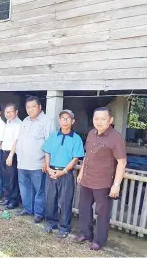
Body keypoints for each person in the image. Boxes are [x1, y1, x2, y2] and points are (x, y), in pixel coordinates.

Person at [75, 107, 127, 251]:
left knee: (102, 214)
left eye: (103, 119)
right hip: (87, 179)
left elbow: (122, 162)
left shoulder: (116, 138)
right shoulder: (91, 133)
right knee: (84, 209)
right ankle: (86, 234)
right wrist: (81, 172)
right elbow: (87, 156)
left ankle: (99, 241)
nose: (99, 122)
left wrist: (116, 184)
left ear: (110, 120)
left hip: (103, 183)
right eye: (96, 119)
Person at [42, 110, 85, 238]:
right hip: (51, 172)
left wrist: (64, 171)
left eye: (67, 119)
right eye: (62, 118)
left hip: (66, 173)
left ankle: (64, 227)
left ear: (73, 121)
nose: (64, 121)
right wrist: (48, 167)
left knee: (65, 201)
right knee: (50, 199)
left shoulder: (76, 138)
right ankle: (51, 223)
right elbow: (47, 152)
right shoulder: (53, 135)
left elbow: (75, 158)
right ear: (59, 120)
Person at [16, 96, 54, 223]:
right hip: (22, 162)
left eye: (33, 106)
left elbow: (50, 143)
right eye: (28, 107)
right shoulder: (25, 120)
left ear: (40, 107)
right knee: (25, 187)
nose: (30, 109)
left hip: (38, 163)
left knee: (39, 190)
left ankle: (39, 213)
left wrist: (46, 161)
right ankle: (27, 208)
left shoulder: (46, 121)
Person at [0, 104, 22, 210]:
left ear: (16, 112)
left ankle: (14, 200)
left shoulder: (18, 124)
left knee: (13, 178)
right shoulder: (7, 123)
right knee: (6, 177)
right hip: (4, 152)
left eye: (10, 112)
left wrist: (11, 155)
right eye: (6, 112)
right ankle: (7, 197)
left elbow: (16, 141)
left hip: (12, 154)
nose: (8, 114)